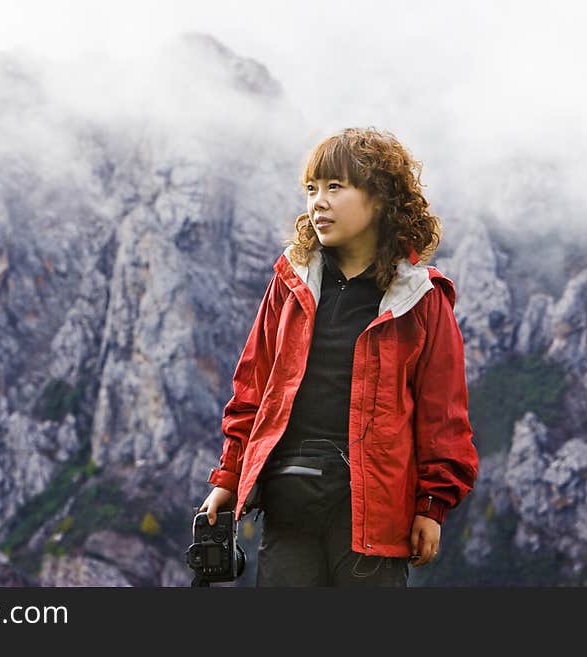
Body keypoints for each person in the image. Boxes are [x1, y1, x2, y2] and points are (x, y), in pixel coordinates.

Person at [197, 127, 479, 586]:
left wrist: (432, 506)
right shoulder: (290, 285)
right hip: (289, 509)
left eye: (335, 187)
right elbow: (252, 388)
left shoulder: (421, 299)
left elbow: (443, 415)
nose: (318, 202)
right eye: (311, 189)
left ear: (381, 199)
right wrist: (228, 477)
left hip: (370, 521)